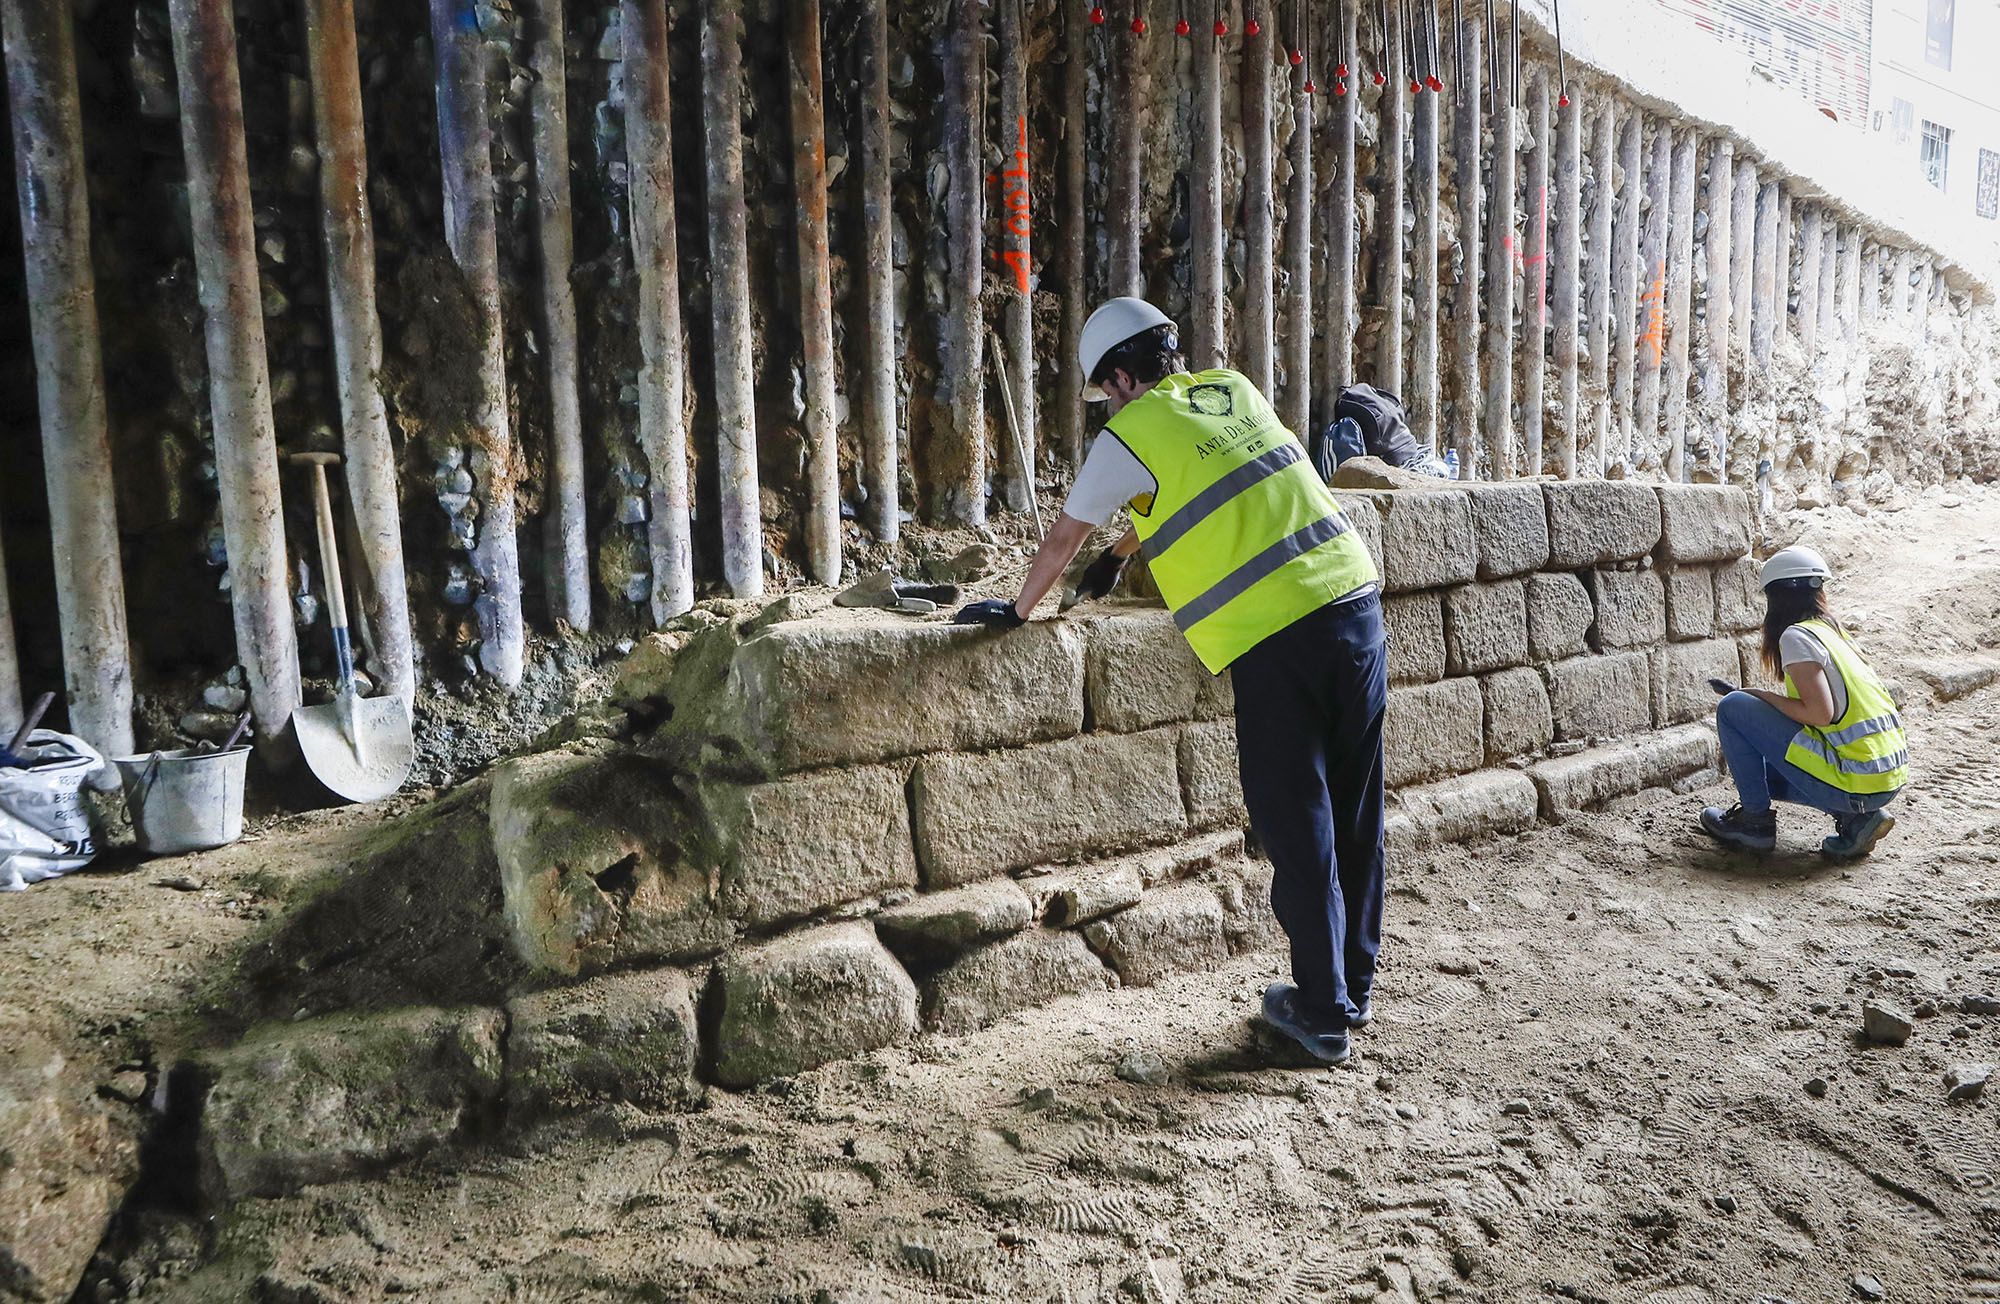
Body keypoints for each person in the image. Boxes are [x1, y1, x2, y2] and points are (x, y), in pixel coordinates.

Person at [953, 297, 1386, 1065]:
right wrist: (1125, 553)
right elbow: (1211, 486)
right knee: (1355, 804)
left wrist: (1020, 611)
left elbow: (1061, 536)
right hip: (1354, 601)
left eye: (1107, 391)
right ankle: (1350, 988)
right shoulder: (1231, 389)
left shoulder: (1130, 432)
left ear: (1120, 377)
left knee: (1299, 818)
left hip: (1277, 633)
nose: (1108, 405)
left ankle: (1319, 1018)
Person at [1699, 545, 1909, 859]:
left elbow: (1819, 714)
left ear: (1775, 599)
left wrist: (1759, 696)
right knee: (1757, 771)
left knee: (1732, 707)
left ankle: (1754, 825)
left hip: (1857, 781)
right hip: (1884, 776)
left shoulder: (1796, 637)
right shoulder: (1831, 632)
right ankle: (1857, 820)